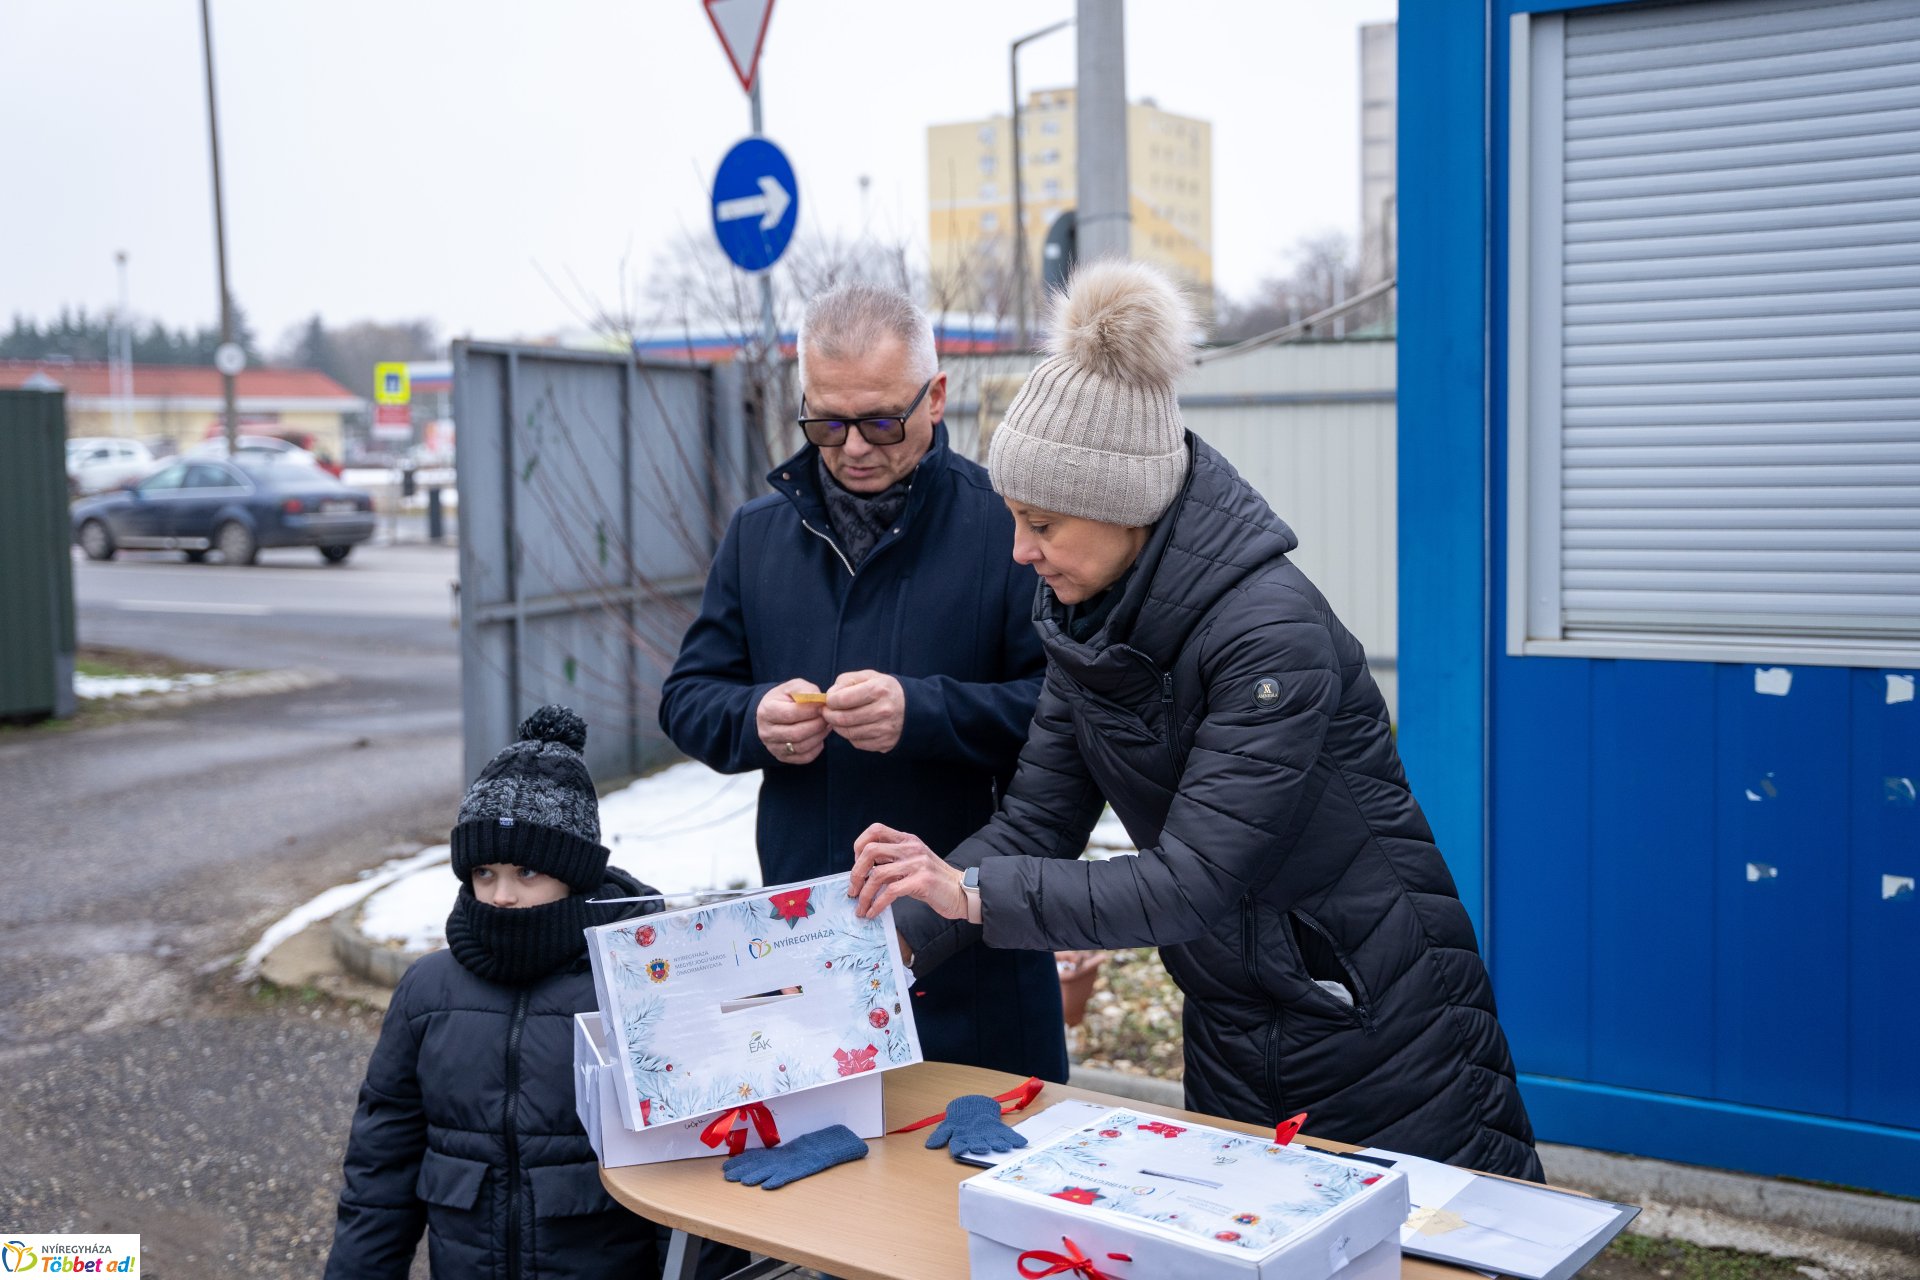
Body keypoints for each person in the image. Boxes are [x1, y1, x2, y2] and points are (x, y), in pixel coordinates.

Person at [848, 262, 1544, 1181]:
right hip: (1229, 1018)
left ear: (1125, 508)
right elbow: (1033, 824)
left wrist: (971, 892)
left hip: (1376, 1018)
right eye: (1015, 520)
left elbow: (1195, 881)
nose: (1021, 552)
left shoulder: (1269, 633)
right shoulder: (1082, 624)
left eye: (1044, 525)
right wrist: (902, 931)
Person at [659, 283, 1068, 1082]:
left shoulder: (1007, 525)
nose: (851, 448)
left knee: (972, 1193)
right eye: (826, 421)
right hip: (805, 942)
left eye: (883, 421)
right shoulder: (758, 536)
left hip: (974, 954)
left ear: (937, 397)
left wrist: (924, 712)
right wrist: (754, 719)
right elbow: (688, 698)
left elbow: (1065, 715)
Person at [324, 706, 667, 1278]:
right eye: (485, 873)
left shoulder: (636, 977)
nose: (502, 895)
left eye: (526, 873)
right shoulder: (428, 990)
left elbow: (689, 1165)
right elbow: (381, 1168)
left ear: (573, 874)